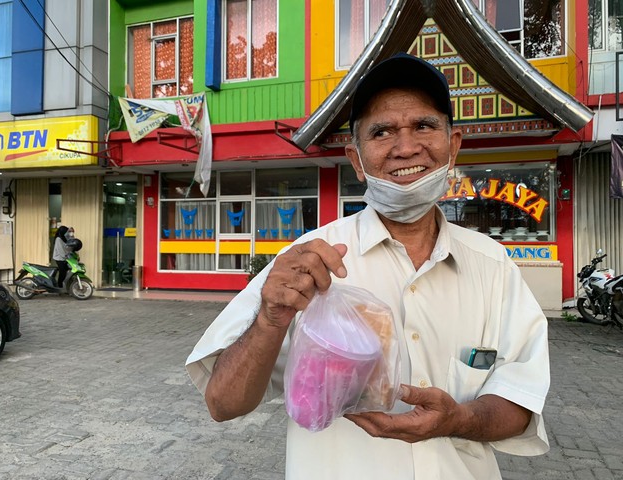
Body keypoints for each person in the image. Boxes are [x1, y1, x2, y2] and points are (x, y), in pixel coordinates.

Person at [186, 53, 550, 479]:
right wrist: (270, 319)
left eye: (424, 126)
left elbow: (521, 404)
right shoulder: (309, 259)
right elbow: (222, 403)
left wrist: (458, 420)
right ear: (356, 159)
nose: (406, 147)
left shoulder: (493, 265)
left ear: (453, 147)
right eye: (382, 132)